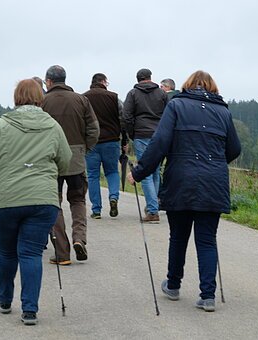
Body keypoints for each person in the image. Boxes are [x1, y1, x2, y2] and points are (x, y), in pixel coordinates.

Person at [128, 70, 241, 312]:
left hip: (181, 178)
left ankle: (173, 284)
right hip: (214, 181)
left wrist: (139, 172)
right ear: (212, 87)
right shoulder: (223, 111)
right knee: (207, 240)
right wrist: (215, 163)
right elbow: (234, 149)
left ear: (187, 86)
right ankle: (208, 295)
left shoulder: (177, 105)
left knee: (178, 237)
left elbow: (160, 143)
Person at [0, 79, 72, 325]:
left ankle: (5, 299)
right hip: (42, 200)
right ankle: (30, 309)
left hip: (6, 199)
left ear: (16, 97)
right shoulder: (52, 125)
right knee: (30, 253)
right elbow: (65, 160)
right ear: (41, 97)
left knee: (7, 251)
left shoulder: (3, 125)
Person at [42, 65, 99, 265]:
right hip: (76, 157)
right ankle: (79, 239)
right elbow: (94, 129)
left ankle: (62, 252)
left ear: (48, 81)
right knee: (78, 201)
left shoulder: (42, 101)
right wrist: (85, 149)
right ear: (64, 80)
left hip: (50, 160)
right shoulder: (81, 100)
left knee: (53, 204)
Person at [123, 68, 168, 223]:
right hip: (159, 135)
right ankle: (153, 205)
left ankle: (152, 210)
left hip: (141, 135)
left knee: (146, 173)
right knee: (155, 172)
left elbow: (127, 116)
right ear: (150, 77)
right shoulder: (162, 94)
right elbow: (168, 114)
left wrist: (131, 134)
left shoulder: (133, 94)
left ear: (138, 79)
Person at [83, 73, 125, 219]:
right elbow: (122, 119)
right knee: (112, 172)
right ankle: (113, 197)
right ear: (103, 82)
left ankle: (96, 210)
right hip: (112, 141)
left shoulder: (84, 98)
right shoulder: (114, 98)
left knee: (93, 175)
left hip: (92, 142)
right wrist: (124, 141)